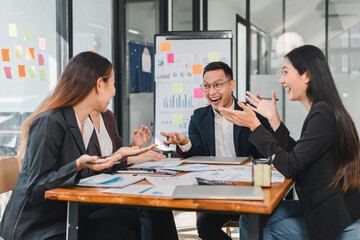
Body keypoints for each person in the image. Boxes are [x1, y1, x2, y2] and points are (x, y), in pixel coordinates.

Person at [0, 51, 161, 240]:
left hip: (67, 216)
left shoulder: (83, 124)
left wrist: (115, 158)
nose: (115, 91)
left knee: (128, 223)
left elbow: (87, 172)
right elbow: (36, 188)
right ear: (100, 84)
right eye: (114, 84)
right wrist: (77, 165)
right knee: (120, 228)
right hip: (38, 228)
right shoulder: (50, 122)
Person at [219, 45, 360, 240]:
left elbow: (291, 166)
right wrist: (274, 120)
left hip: (336, 216)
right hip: (329, 205)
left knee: (265, 227)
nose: (281, 80)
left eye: (285, 72)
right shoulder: (323, 110)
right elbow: (299, 156)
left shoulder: (322, 114)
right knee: (251, 217)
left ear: (306, 76)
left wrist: (255, 126)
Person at [161, 61, 271, 240]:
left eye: (218, 85)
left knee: (253, 225)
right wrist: (185, 143)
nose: (212, 92)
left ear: (232, 85)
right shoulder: (198, 117)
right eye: (206, 86)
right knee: (204, 225)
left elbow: (266, 154)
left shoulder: (252, 114)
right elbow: (198, 159)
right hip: (216, 189)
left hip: (250, 187)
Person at [89, 110, 179, 240]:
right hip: (96, 193)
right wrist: (130, 159)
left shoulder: (108, 116)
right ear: (97, 88)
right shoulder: (79, 119)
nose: (114, 92)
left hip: (117, 184)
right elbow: (111, 160)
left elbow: (119, 155)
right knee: (144, 207)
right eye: (111, 88)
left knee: (160, 206)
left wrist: (134, 147)